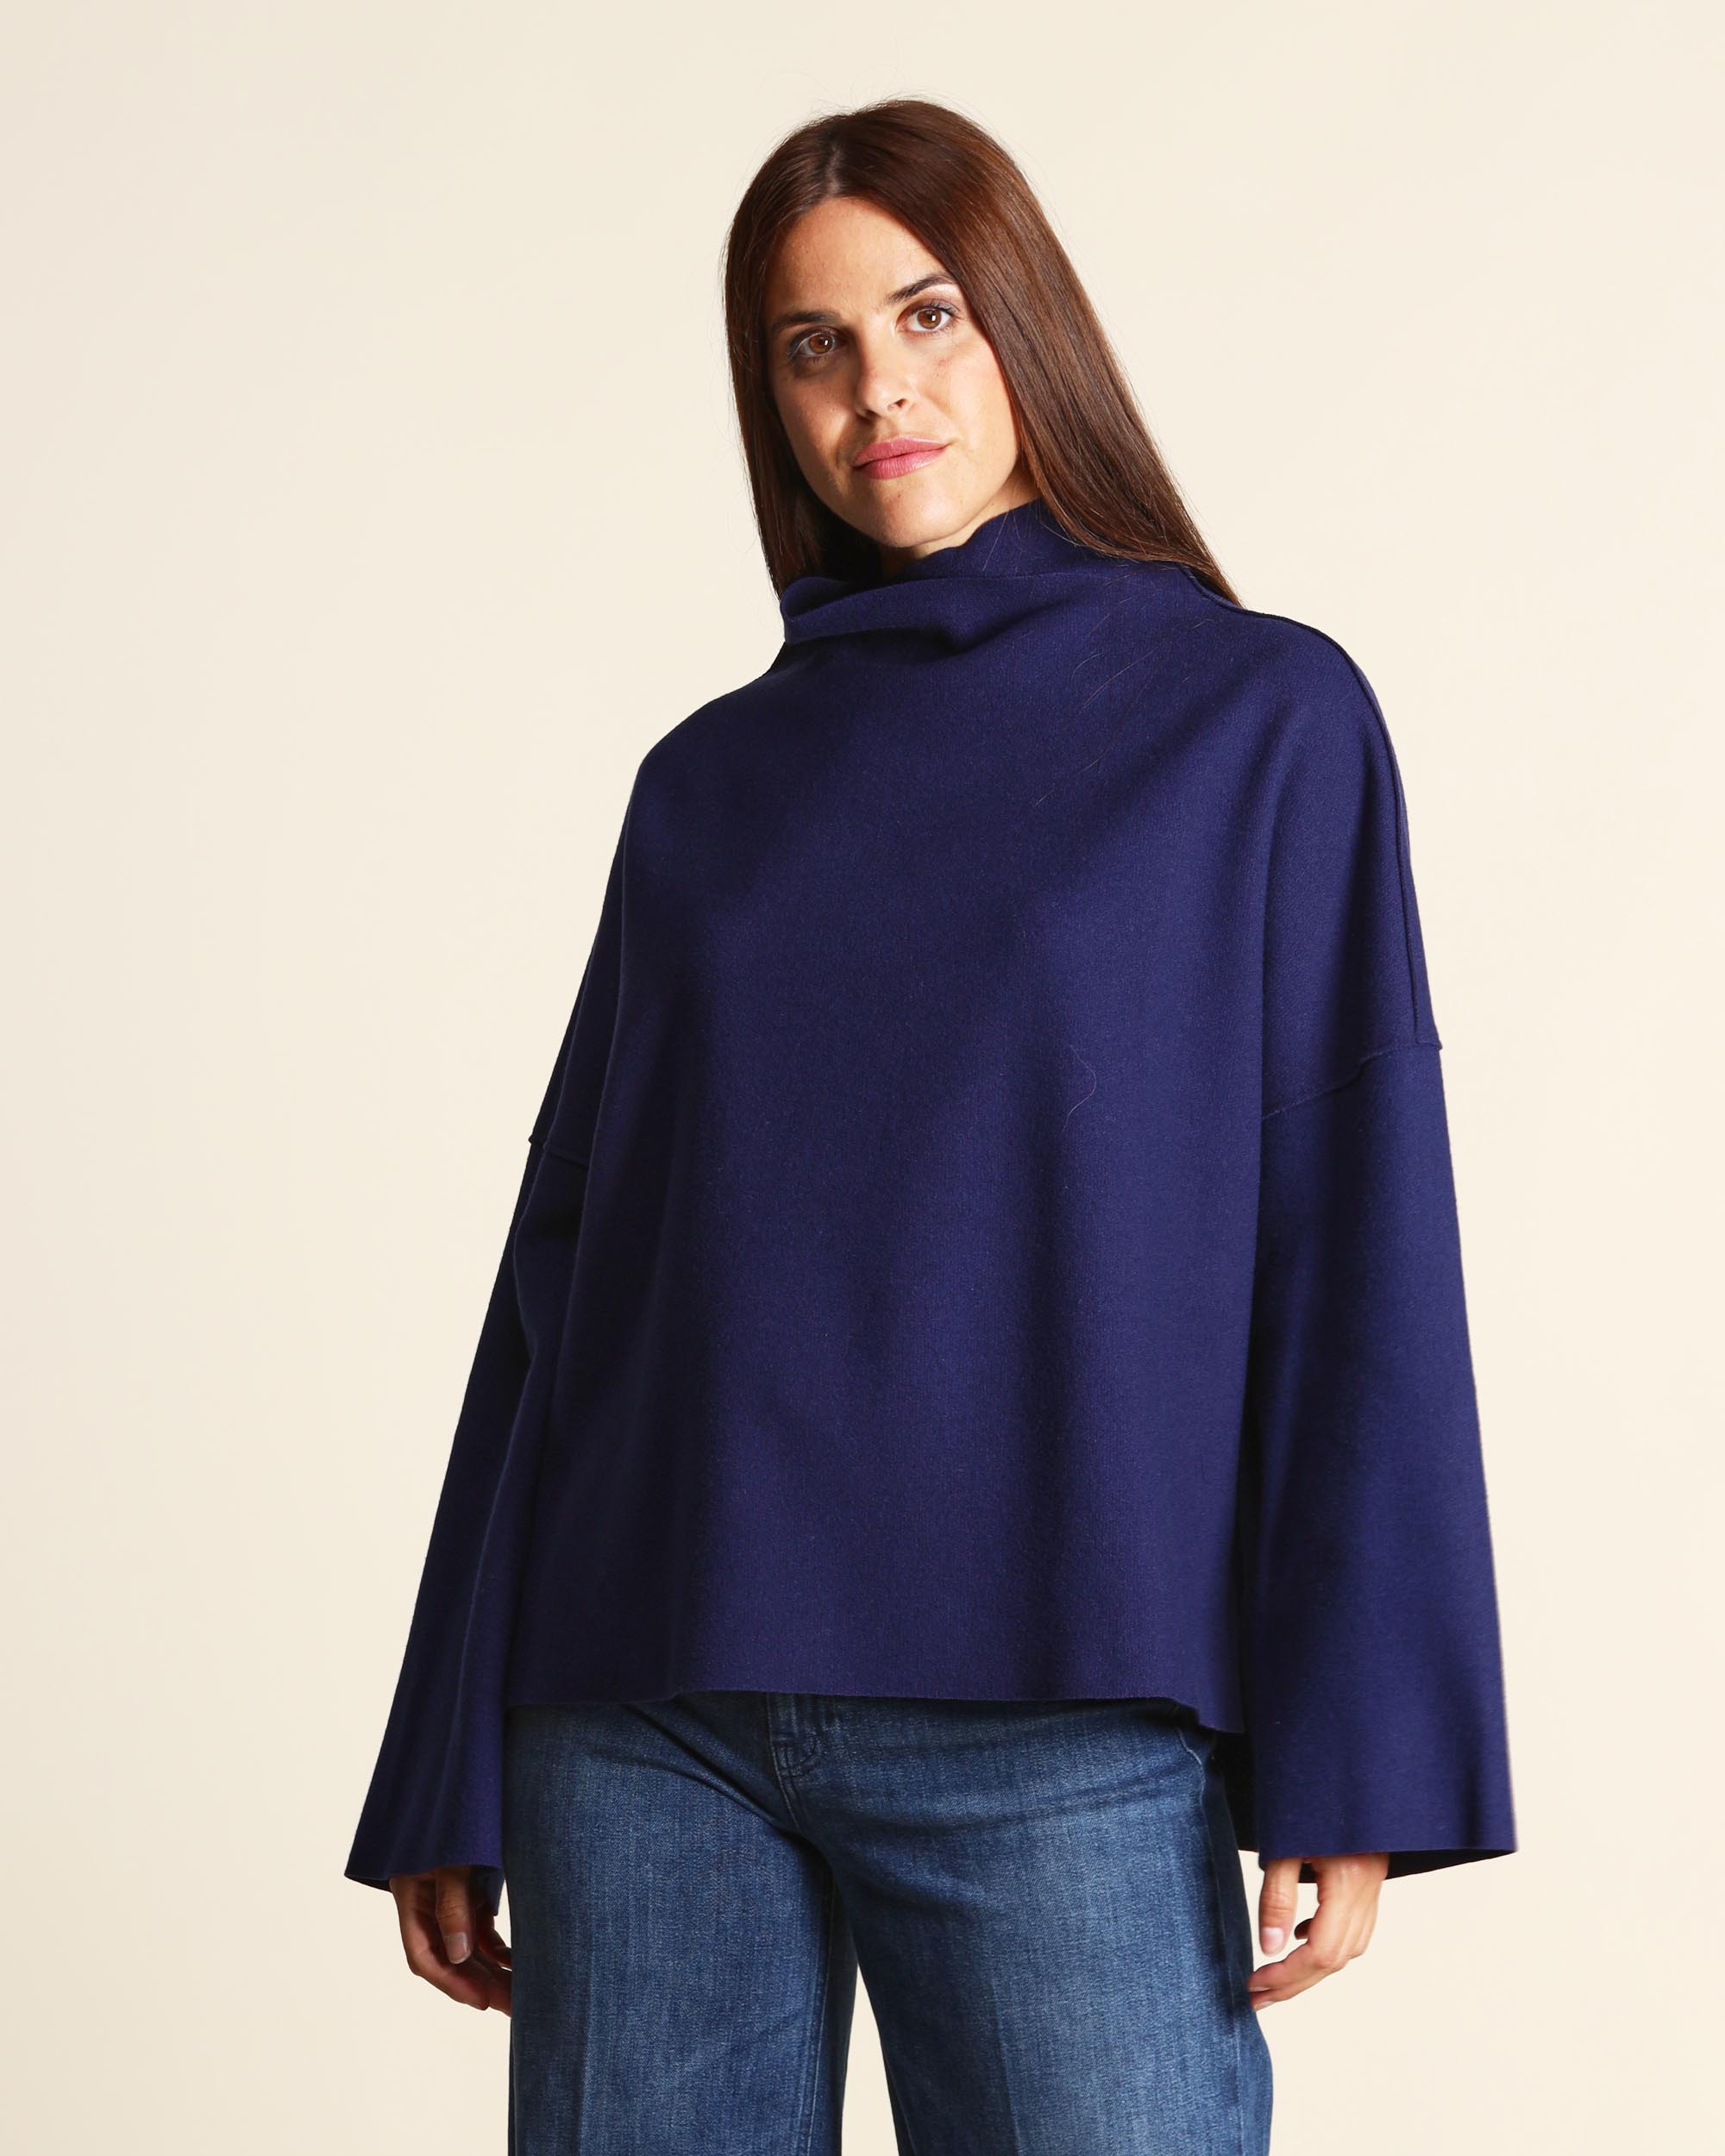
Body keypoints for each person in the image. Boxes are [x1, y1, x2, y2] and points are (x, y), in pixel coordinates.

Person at [344, 97, 1516, 2153]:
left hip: (1058, 1704)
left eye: (927, 315)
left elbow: (1354, 1236)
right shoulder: (706, 785)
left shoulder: (1257, 721)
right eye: (813, 346)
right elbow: (570, 1266)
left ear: (1024, 325)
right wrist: (451, 1736)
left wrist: (1363, 1743)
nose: (878, 389)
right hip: (645, 1715)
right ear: (768, 398)